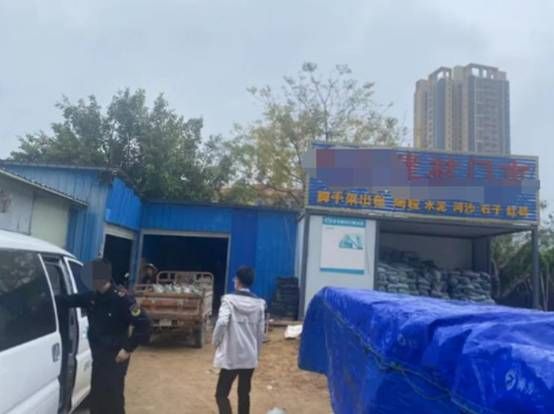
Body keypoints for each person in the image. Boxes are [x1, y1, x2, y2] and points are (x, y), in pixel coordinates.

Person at [56, 258, 151, 414]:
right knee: (97, 397)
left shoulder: (123, 299)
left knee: (113, 399)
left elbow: (144, 324)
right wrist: (44, 299)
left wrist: (128, 349)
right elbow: (68, 300)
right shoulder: (92, 297)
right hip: (99, 356)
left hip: (116, 357)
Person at [213, 266, 266, 414]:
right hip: (249, 356)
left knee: (221, 394)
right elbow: (260, 333)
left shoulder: (228, 300)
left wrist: (216, 341)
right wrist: (256, 354)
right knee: (244, 394)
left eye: (235, 279)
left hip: (231, 355)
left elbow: (222, 322)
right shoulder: (259, 304)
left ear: (238, 281)